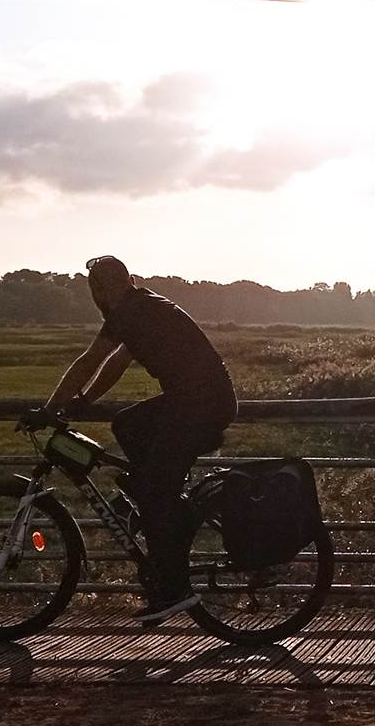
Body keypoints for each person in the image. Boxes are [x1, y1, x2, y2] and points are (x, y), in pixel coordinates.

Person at [34, 256, 237, 624]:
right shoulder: (142, 304)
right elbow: (116, 361)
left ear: (99, 289)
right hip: (199, 401)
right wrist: (84, 401)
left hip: (199, 406)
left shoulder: (131, 311)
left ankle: (175, 590)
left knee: (158, 499)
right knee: (127, 423)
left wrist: (50, 409)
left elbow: (89, 359)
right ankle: (151, 494)